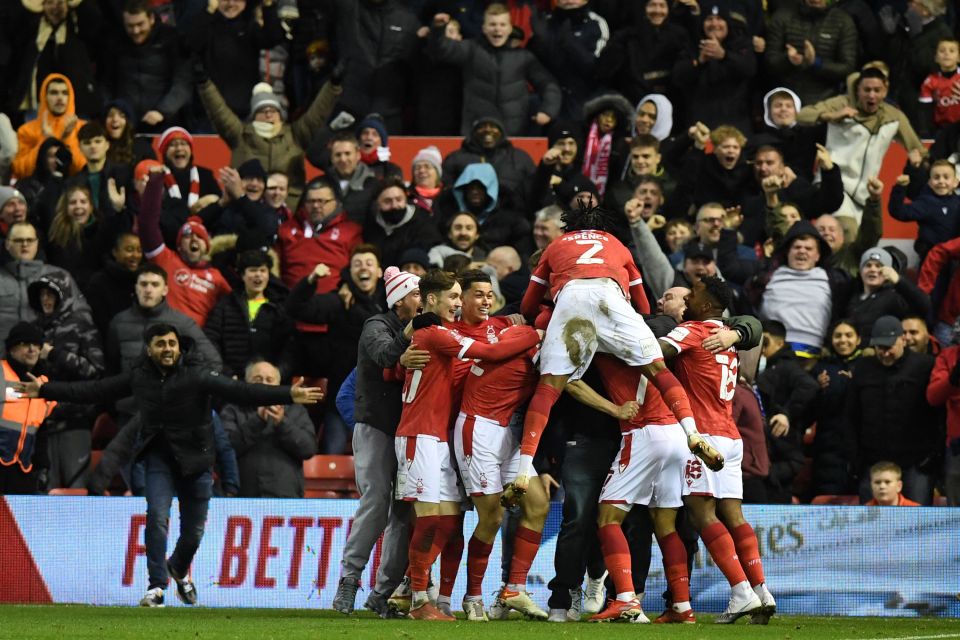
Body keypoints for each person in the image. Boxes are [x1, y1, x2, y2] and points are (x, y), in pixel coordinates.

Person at [15, 323, 323, 607]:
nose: (167, 348)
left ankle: (178, 567)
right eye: (160, 343)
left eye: (172, 343)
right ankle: (157, 586)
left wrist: (288, 395)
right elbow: (95, 390)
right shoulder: (140, 376)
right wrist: (44, 390)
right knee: (157, 517)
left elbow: (242, 390)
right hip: (159, 457)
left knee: (193, 534)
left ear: (179, 347)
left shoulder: (197, 374)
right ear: (149, 348)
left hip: (197, 460)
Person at [515, 204, 723, 503]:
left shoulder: (556, 245)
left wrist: (542, 320)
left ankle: (524, 468)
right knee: (659, 371)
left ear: (570, 227)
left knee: (548, 389)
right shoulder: (617, 245)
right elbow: (644, 303)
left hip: (571, 300)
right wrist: (619, 334)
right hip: (611, 298)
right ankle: (693, 434)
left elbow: (527, 305)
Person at [393, 269, 541, 621]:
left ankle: (431, 597)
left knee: (447, 521)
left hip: (445, 437)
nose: (460, 304)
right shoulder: (439, 333)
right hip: (424, 433)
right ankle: (416, 597)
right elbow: (490, 354)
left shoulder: (444, 330)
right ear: (433, 300)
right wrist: (536, 333)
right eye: (457, 297)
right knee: (430, 521)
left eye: (464, 297)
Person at [658, 277, 775, 624]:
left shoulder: (692, 331)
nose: (686, 300)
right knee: (734, 515)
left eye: (692, 295)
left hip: (704, 438)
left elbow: (655, 354)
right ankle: (761, 590)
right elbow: (752, 327)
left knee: (701, 514)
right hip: (730, 435)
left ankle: (740, 592)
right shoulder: (726, 336)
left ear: (706, 304)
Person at [330, 267, 422, 616]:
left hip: (409, 432)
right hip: (377, 429)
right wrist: (414, 329)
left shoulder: (421, 328)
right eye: (416, 295)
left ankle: (381, 594)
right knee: (376, 501)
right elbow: (386, 355)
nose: (421, 301)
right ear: (399, 300)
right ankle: (349, 581)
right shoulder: (375, 326)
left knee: (404, 511)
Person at [285, 246, 386, 454]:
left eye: (369, 263)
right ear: (349, 271)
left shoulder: (391, 303)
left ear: (379, 271)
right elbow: (296, 308)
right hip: (341, 398)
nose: (363, 268)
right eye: (357, 264)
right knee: (332, 454)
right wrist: (311, 280)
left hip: (381, 399)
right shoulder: (339, 300)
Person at [797, 67, 925, 226]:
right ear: (858, 90)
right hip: (834, 187)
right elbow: (801, 115)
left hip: (865, 194)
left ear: (885, 91)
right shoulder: (841, 103)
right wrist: (832, 116)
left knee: (864, 242)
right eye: (867, 90)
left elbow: (917, 148)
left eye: (877, 90)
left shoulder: (894, 116)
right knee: (846, 230)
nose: (872, 95)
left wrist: (916, 160)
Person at [197, 70, 341, 208]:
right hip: (247, 209)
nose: (269, 115)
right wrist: (205, 84)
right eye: (262, 111)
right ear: (254, 116)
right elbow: (219, 112)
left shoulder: (295, 134)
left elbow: (318, 113)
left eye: (273, 110)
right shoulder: (240, 135)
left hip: (290, 209)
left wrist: (333, 86)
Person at [429, 4, 561, 137]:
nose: (497, 29)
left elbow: (548, 84)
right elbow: (442, 50)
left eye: (502, 25)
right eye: (492, 24)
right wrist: (438, 29)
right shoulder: (471, 50)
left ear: (510, 28)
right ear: (484, 28)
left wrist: (548, 110)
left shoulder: (524, 57)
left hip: (513, 133)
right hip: (476, 132)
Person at [846, 315, 937, 505]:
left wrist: (932, 455)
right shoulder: (863, 368)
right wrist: (855, 457)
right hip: (873, 461)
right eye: (880, 348)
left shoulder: (925, 366)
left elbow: (937, 413)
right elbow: (852, 414)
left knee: (918, 525)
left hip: (916, 461)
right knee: (870, 526)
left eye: (889, 347)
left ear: (902, 339)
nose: (885, 353)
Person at [27, 275, 104, 490]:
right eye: (42, 294)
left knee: (76, 488)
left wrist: (55, 355)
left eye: (51, 294)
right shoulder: (32, 329)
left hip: (75, 421)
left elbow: (95, 371)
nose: (46, 299)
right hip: (40, 424)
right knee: (42, 489)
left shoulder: (82, 325)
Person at [138, 172, 231, 327]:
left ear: (207, 247)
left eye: (200, 237)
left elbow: (230, 312)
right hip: (165, 337)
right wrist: (155, 181)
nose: (194, 239)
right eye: (188, 236)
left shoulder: (217, 279)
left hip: (198, 342)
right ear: (179, 245)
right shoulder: (165, 259)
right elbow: (147, 225)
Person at [220, 360, 317, 498]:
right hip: (242, 498)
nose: (264, 384)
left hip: (286, 496)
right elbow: (225, 449)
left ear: (278, 385)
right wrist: (258, 421)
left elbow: (308, 449)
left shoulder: (296, 410)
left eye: (269, 380)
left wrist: (282, 423)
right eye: (257, 379)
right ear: (246, 383)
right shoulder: (232, 409)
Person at [0, 221, 92, 356]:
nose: (25, 244)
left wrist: (57, 348)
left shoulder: (59, 276)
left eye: (29, 240)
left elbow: (82, 315)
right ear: (7, 244)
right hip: (3, 360)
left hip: (48, 360)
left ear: (37, 243)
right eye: (19, 240)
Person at [101, 0, 191, 133]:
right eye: (130, 26)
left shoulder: (171, 38)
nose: (136, 31)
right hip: (125, 124)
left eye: (140, 24)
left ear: (151, 19)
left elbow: (183, 82)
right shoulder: (115, 41)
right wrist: (111, 110)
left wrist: (162, 111)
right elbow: (105, 82)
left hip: (164, 122)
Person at [204, 250, 294, 380]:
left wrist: (279, 373)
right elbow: (210, 340)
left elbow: (290, 346)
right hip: (233, 382)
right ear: (242, 275)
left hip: (268, 382)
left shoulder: (279, 308)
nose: (258, 275)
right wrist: (224, 371)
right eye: (252, 270)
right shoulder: (226, 304)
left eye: (263, 270)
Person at [756, 320, 818, 502]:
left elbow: (809, 387)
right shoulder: (764, 366)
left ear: (779, 343)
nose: (762, 347)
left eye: (765, 342)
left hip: (782, 447)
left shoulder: (786, 366)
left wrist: (786, 413)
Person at [672, 4, 757, 134]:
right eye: (709, 19)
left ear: (728, 23)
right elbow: (678, 77)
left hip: (736, 123)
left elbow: (749, 69)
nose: (714, 23)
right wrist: (699, 62)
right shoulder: (692, 46)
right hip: (700, 123)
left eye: (719, 19)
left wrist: (724, 55)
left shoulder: (741, 44)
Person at [526, 0, 610, 122]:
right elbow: (533, 69)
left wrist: (570, 42)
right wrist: (539, 43)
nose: (569, 0)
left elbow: (595, 69)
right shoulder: (545, 22)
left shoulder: (596, 24)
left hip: (584, 104)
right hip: (549, 106)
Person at [276, 176, 363, 291]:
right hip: (292, 300)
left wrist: (349, 287)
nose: (316, 206)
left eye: (322, 201)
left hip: (334, 300)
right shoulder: (286, 229)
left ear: (336, 203)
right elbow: (274, 264)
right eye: (311, 201)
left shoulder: (351, 231)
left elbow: (360, 267)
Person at [0, 322, 58, 494]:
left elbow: (41, 431)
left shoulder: (45, 383)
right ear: (11, 349)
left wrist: (43, 466)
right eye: (25, 344)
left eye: (36, 345)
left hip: (24, 469)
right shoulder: (1, 373)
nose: (32, 349)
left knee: (14, 521)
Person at [764, 0, 858, 106]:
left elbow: (847, 68)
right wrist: (788, 60)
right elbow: (769, 62)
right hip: (786, 101)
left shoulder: (842, 21)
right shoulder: (782, 16)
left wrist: (816, 63)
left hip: (826, 102)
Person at [809, 320, 861, 496]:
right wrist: (817, 388)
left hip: (860, 447)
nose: (843, 340)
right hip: (828, 447)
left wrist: (855, 384)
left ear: (858, 339)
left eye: (849, 335)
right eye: (838, 335)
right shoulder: (820, 369)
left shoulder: (867, 367)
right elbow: (810, 411)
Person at [441, 117, 535, 211]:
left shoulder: (520, 157)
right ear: (473, 133)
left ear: (502, 132)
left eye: (493, 127)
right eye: (482, 127)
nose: (488, 130)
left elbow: (533, 188)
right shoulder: (456, 158)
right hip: (468, 216)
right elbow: (446, 189)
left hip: (510, 214)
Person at [11, 74, 87, 180]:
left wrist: (67, 138)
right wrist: (46, 140)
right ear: (44, 96)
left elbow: (83, 169)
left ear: (71, 97)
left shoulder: (83, 128)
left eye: (65, 93)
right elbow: (21, 170)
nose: (60, 98)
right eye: (54, 93)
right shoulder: (26, 130)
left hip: (73, 189)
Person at [845, 247, 930, 338]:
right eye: (868, 265)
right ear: (860, 271)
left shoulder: (895, 298)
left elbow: (925, 306)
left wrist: (899, 281)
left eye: (879, 266)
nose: (873, 269)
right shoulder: (850, 296)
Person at [889, 160, 960, 262]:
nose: (941, 181)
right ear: (930, 183)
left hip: (956, 261)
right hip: (930, 260)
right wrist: (900, 188)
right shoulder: (925, 203)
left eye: (946, 177)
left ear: (955, 182)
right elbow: (898, 211)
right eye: (936, 177)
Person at [364, 178, 442, 269]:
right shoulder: (371, 226)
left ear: (405, 199)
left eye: (399, 199)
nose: (394, 205)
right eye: (387, 201)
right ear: (378, 204)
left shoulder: (423, 223)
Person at [84, 232, 143, 338]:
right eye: (129, 250)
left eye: (139, 250)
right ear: (115, 252)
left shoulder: (144, 279)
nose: (135, 255)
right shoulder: (99, 282)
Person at [926, 336, 960, 504]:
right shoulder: (948, 356)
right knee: (956, 512)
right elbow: (933, 396)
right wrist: (953, 379)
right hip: (957, 447)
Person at [918, 38, 960, 137]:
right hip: (942, 130)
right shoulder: (930, 81)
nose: (946, 53)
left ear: (959, 57)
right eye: (942, 51)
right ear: (936, 58)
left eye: (952, 51)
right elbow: (925, 111)